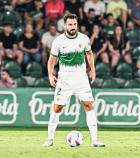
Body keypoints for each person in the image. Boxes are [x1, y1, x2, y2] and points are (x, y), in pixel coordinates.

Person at [43, 13, 105, 147]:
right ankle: (50, 139)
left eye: (74, 24)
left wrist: (92, 69)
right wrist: (50, 74)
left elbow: (89, 54)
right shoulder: (58, 41)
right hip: (64, 80)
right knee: (57, 107)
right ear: (65, 25)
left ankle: (95, 140)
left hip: (81, 79)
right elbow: (51, 61)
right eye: (70, 24)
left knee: (89, 105)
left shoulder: (84, 39)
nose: (73, 27)